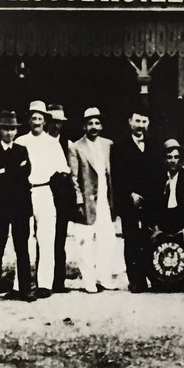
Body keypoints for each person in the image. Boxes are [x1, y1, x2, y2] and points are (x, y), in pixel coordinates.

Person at [16, 100, 70, 299]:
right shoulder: (21, 141)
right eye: (33, 118)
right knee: (24, 240)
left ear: (45, 121)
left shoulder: (52, 142)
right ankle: (22, 283)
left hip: (45, 191)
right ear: (28, 120)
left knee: (46, 238)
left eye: (40, 118)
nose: (37, 121)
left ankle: (44, 284)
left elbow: (63, 169)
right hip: (24, 192)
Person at [0, 110, 34, 305]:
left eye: (12, 129)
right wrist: (14, 171)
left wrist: (5, 172)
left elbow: (26, 172)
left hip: (20, 207)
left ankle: (25, 290)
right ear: (0, 131)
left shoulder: (22, 150)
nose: (9, 133)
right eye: (6, 129)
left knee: (22, 249)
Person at [67, 107, 118, 293]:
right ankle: (89, 281)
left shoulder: (108, 145)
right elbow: (73, 178)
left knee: (108, 240)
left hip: (104, 199)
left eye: (97, 123)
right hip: (87, 201)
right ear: (84, 126)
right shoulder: (76, 147)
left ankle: (104, 278)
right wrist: (79, 201)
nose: (94, 126)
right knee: (85, 241)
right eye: (90, 123)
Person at [111, 105, 161, 292]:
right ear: (130, 122)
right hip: (129, 200)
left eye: (144, 121)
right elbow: (117, 175)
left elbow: (159, 173)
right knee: (131, 240)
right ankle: (136, 279)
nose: (140, 125)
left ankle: (154, 276)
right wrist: (130, 194)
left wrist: (150, 196)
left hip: (150, 200)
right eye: (137, 121)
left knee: (151, 238)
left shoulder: (154, 144)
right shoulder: (120, 146)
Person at [46, 103, 73, 293]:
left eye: (60, 123)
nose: (56, 126)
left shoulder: (67, 144)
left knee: (60, 239)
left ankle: (59, 281)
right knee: (44, 238)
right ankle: (43, 281)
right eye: (54, 122)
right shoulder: (42, 141)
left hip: (62, 196)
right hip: (46, 192)